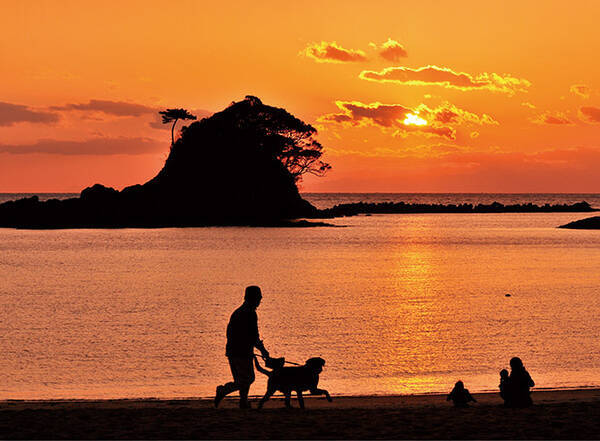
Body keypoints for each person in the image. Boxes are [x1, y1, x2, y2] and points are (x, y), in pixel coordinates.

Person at [214, 286, 270, 409]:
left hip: (233, 351)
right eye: (258, 297)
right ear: (253, 298)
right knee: (247, 379)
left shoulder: (238, 312)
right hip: (241, 352)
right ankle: (223, 391)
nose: (260, 300)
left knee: (242, 379)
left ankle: (243, 402)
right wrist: (263, 351)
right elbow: (254, 336)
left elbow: (230, 333)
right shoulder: (249, 313)